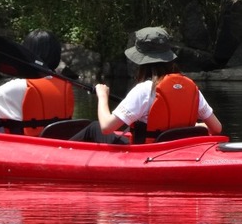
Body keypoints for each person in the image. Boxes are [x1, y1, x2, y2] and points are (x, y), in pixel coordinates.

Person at [70, 26, 222, 144]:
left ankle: (56, 152)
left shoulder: (144, 90)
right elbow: (216, 128)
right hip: (178, 148)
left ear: (141, 60)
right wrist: (195, 126)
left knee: (94, 127)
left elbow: (106, 127)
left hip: (149, 150)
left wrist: (103, 96)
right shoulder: (191, 89)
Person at [0, 30, 74, 136]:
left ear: (27, 53)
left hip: (25, 145)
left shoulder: (17, 86)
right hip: (55, 142)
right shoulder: (65, 85)